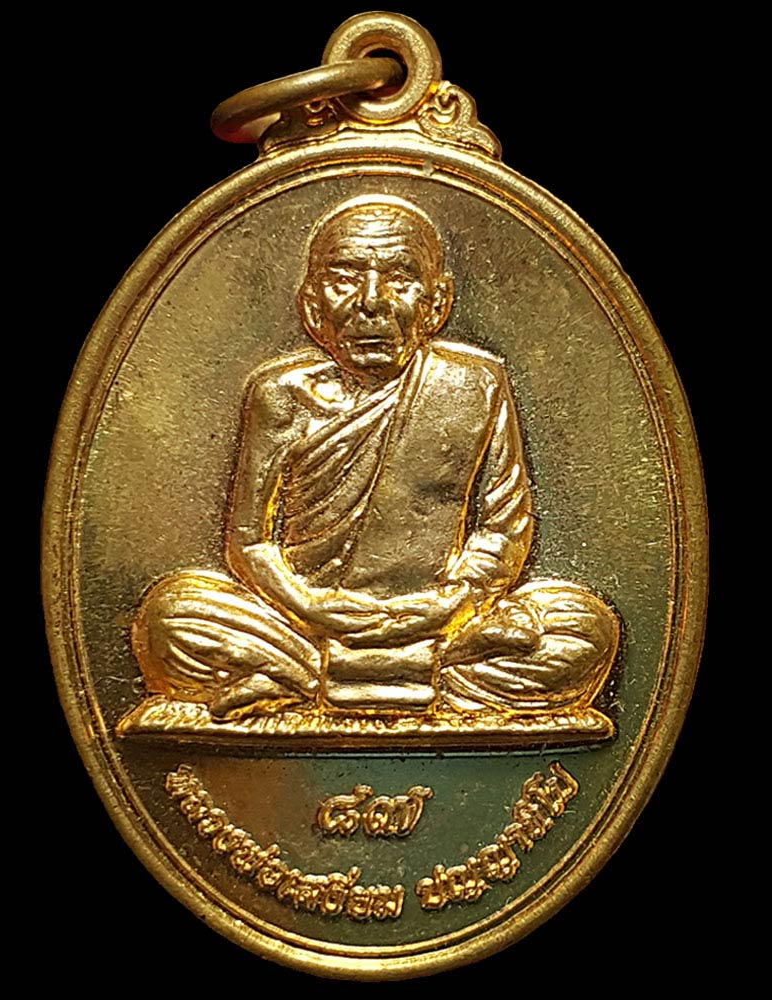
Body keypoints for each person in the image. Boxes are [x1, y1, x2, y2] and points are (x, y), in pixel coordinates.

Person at [132, 195, 618, 720]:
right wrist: (310, 607)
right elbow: (250, 542)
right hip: (305, 624)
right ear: (312, 305)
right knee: (169, 618)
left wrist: (454, 603)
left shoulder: (473, 385)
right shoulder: (280, 395)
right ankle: (392, 677)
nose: (371, 302)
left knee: (583, 629)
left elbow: (503, 527)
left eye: (400, 279)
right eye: (344, 280)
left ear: (437, 302)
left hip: (438, 621)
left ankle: (305, 682)